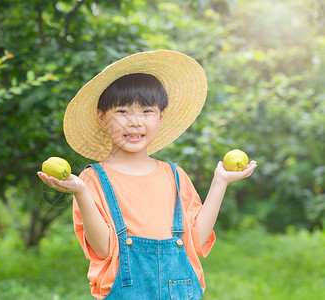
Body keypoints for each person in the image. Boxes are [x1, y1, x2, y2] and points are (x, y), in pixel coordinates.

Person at [37, 50, 257, 299]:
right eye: (122, 111)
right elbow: (103, 249)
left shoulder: (175, 176)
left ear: (161, 116)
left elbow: (195, 241)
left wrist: (220, 182)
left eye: (147, 111)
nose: (135, 122)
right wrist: (81, 193)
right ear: (102, 117)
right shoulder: (92, 180)